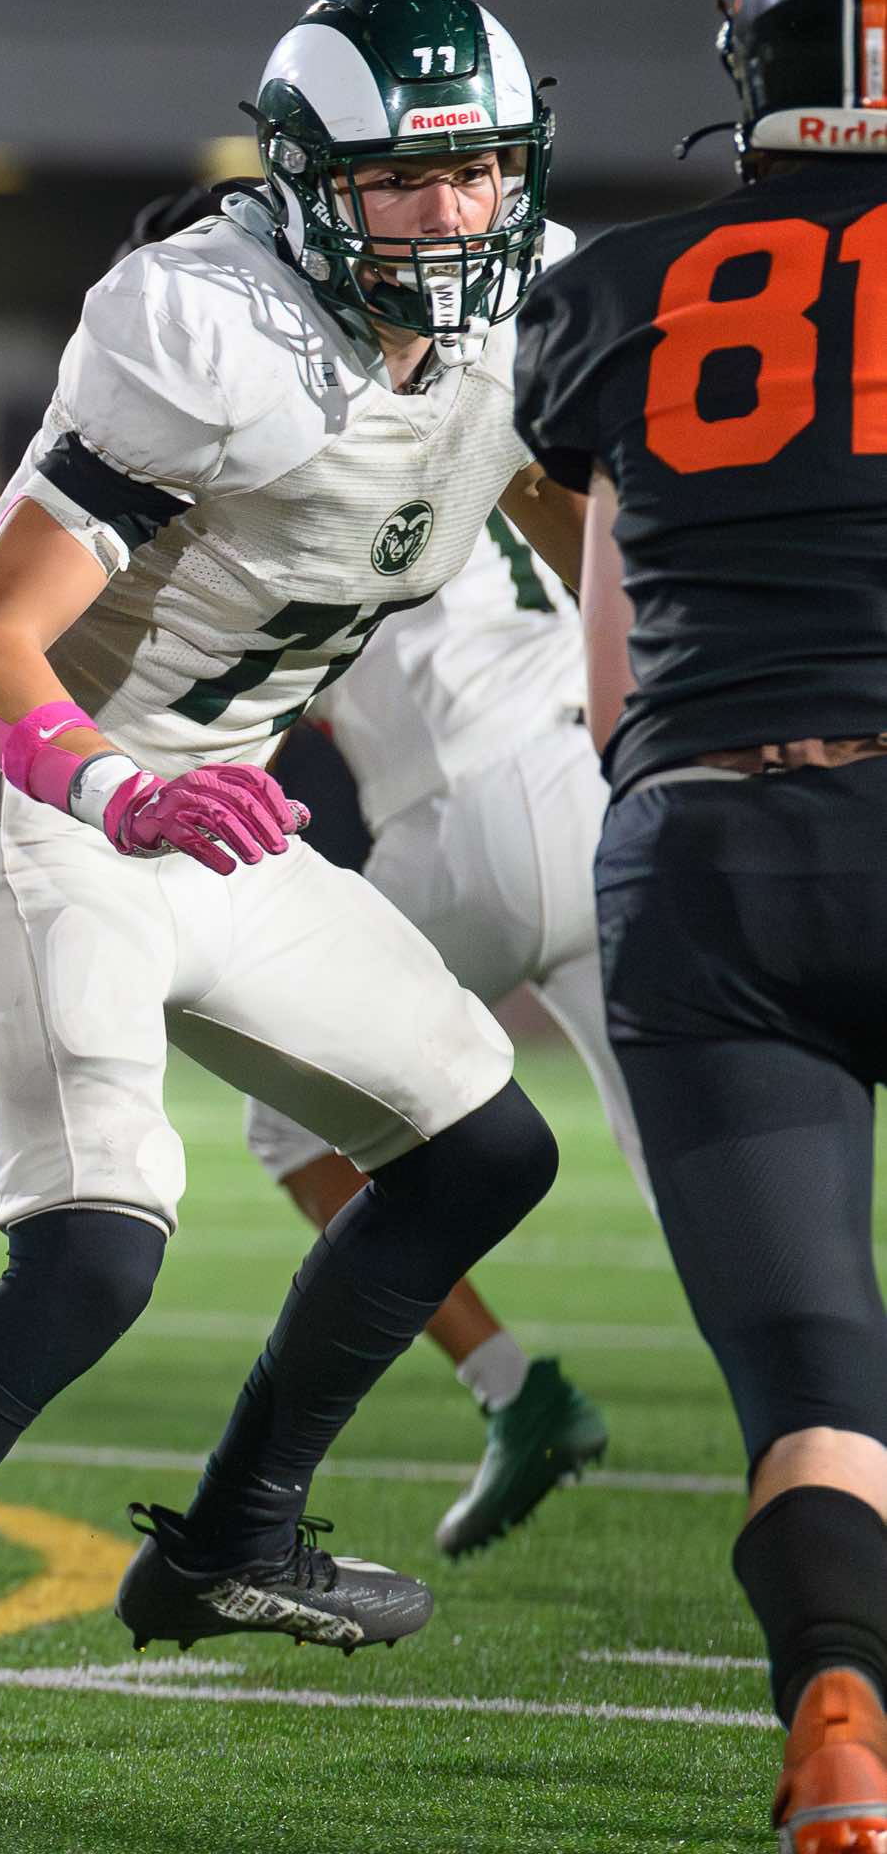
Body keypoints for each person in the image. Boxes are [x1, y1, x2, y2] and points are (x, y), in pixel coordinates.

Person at [0, 0, 582, 1794]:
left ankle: (239, 1532)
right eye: (403, 179)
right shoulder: (206, 322)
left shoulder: (530, 310)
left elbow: (583, 519)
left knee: (485, 1148)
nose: (451, 212)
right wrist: (114, 785)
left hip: (214, 806)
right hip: (33, 800)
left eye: (479, 168)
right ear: (309, 183)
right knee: (94, 1254)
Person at [514, 0, 887, 1851]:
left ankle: (841, 1701)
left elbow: (611, 686)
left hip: (705, 851)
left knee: (816, 1381)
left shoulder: (612, 293)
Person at [248, 508, 653, 1557]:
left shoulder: (335, 463)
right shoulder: (501, 438)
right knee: (692, 1157)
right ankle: (831, 1432)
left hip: (462, 815)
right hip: (601, 783)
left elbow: (259, 679)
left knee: (290, 1120)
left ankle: (512, 1389)